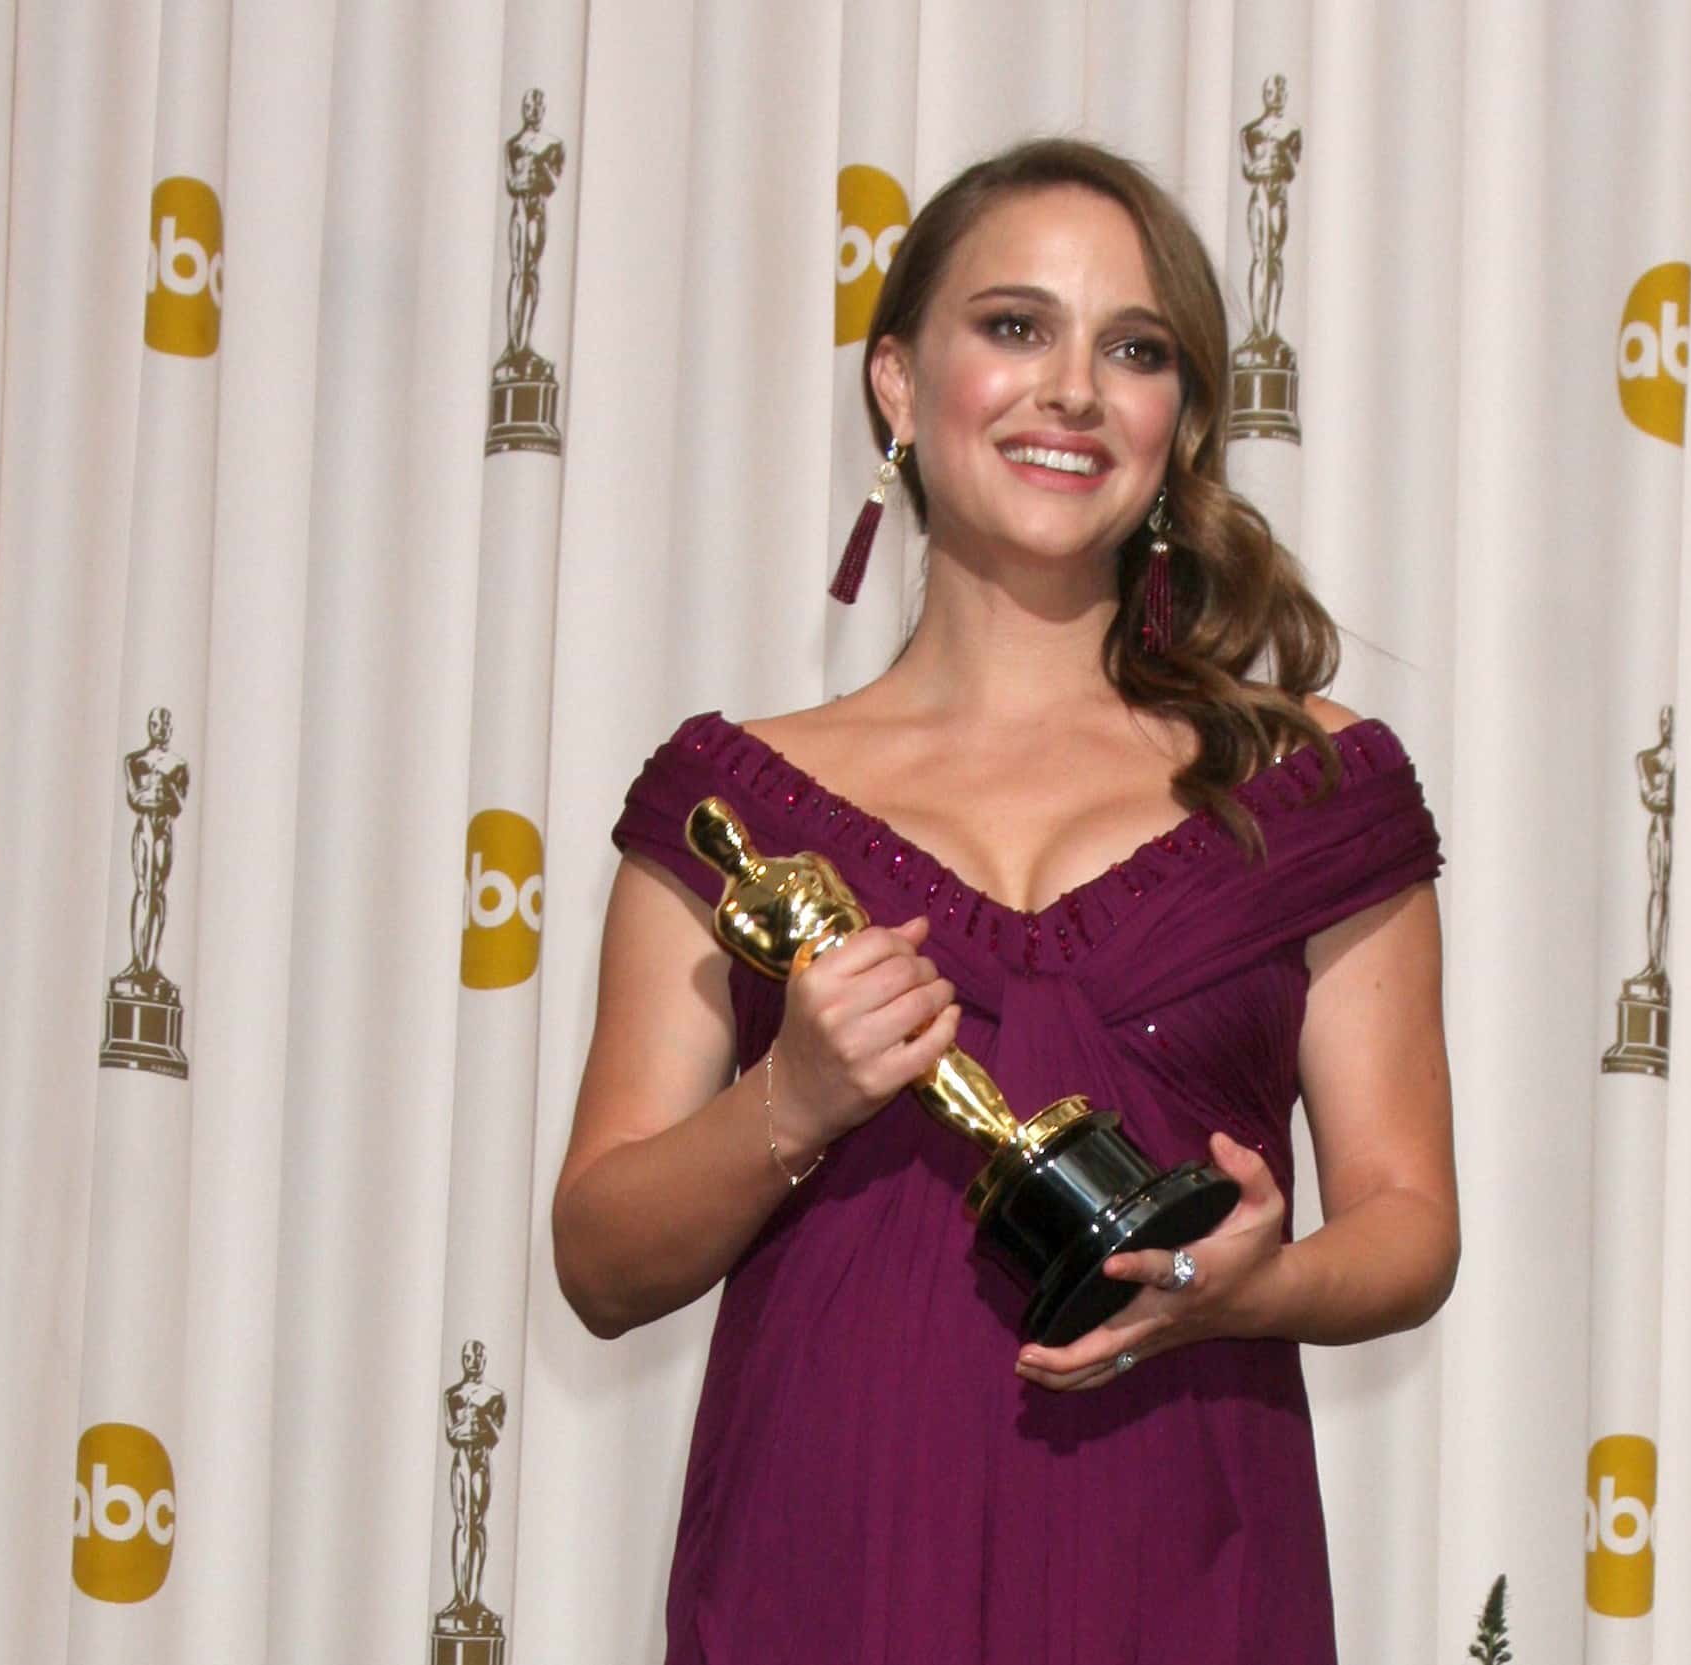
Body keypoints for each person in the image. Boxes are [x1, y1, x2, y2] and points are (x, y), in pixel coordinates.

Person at [551, 138, 1458, 1664]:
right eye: (1015, 327)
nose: (1073, 390)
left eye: (1135, 348)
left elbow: (1412, 1221)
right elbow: (599, 1257)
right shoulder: (733, 805)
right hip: (819, 1560)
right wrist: (793, 1094)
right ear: (898, 385)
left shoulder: (1311, 790)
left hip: (1183, 1558)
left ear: (1177, 428)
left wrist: (1247, 1287)